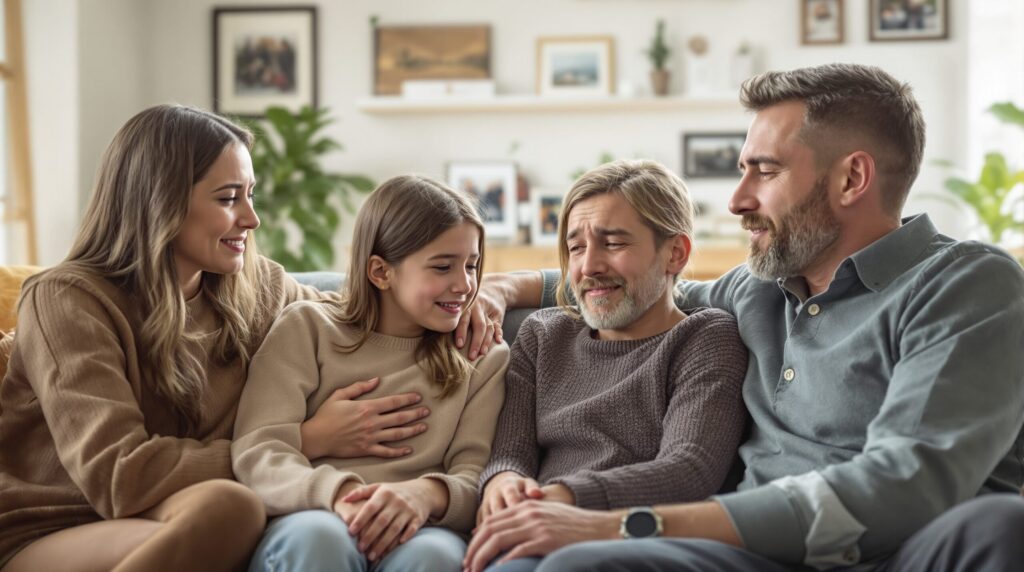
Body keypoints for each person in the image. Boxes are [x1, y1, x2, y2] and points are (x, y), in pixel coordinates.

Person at [464, 63, 1024, 571]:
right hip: (757, 558)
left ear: (852, 179)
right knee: (577, 568)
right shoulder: (754, 290)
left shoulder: (966, 285)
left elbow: (904, 484)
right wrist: (502, 286)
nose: (736, 200)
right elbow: (641, 285)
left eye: (764, 171)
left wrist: (621, 524)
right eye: (741, 170)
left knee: (1000, 525)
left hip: (898, 554)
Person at [0, 105, 493, 571]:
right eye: (228, 198)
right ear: (161, 202)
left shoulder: (256, 289)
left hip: (173, 514)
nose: (251, 219)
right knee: (233, 507)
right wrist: (308, 437)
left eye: (250, 194)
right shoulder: (67, 299)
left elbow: (366, 309)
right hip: (55, 526)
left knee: (240, 512)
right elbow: (120, 477)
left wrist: (469, 304)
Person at [472, 160, 748, 571]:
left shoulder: (705, 337)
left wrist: (562, 498)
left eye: (613, 243)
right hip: (532, 525)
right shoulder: (542, 334)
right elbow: (510, 451)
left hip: (630, 540)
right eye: (576, 247)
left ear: (675, 253)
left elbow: (689, 469)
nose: (588, 267)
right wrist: (503, 482)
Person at [232, 175, 510, 572]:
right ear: (380, 272)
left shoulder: (483, 355)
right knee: (319, 540)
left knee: (433, 557)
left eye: (472, 264)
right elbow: (258, 451)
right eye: (443, 266)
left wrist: (425, 495)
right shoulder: (307, 328)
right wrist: (340, 493)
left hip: (423, 526)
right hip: (315, 513)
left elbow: (476, 474)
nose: (465, 285)